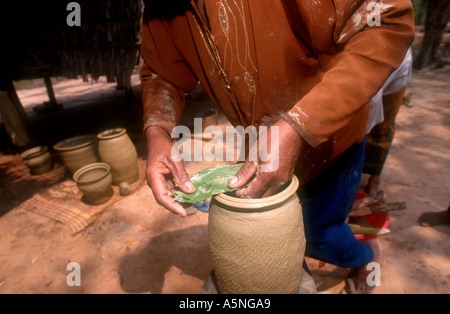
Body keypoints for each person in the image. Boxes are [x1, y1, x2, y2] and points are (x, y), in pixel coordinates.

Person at [140, 0, 414, 293]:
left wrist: (299, 125)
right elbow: (162, 72)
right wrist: (158, 129)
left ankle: (366, 256)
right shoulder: (162, 6)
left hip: (332, 143)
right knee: (273, 240)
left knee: (320, 234)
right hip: (259, 146)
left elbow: (387, 20)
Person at [364, 47, 413, 197]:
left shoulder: (368, 87)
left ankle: (374, 179)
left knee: (383, 128)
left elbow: (361, 129)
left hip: (396, 72)